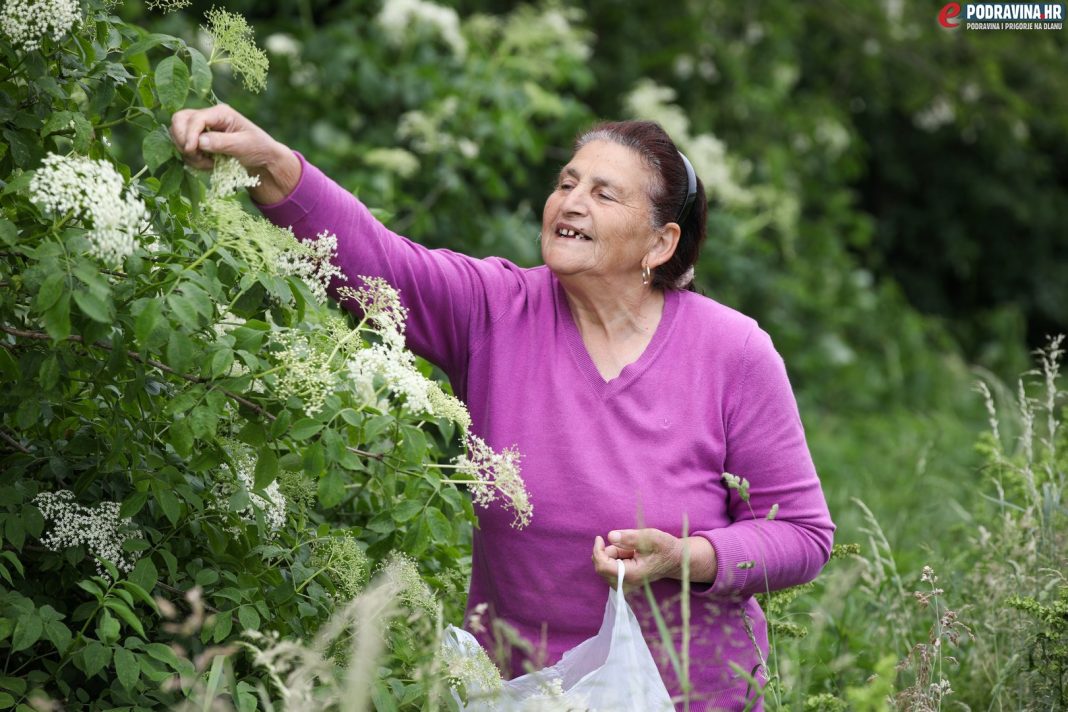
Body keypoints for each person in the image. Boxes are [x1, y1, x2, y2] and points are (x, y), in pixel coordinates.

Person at [171, 105, 835, 711]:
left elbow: (803, 536)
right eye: (567, 184)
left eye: (604, 194)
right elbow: (381, 266)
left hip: (690, 695)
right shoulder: (494, 308)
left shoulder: (732, 352)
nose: (571, 203)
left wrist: (687, 557)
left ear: (660, 244)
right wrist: (271, 163)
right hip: (521, 692)